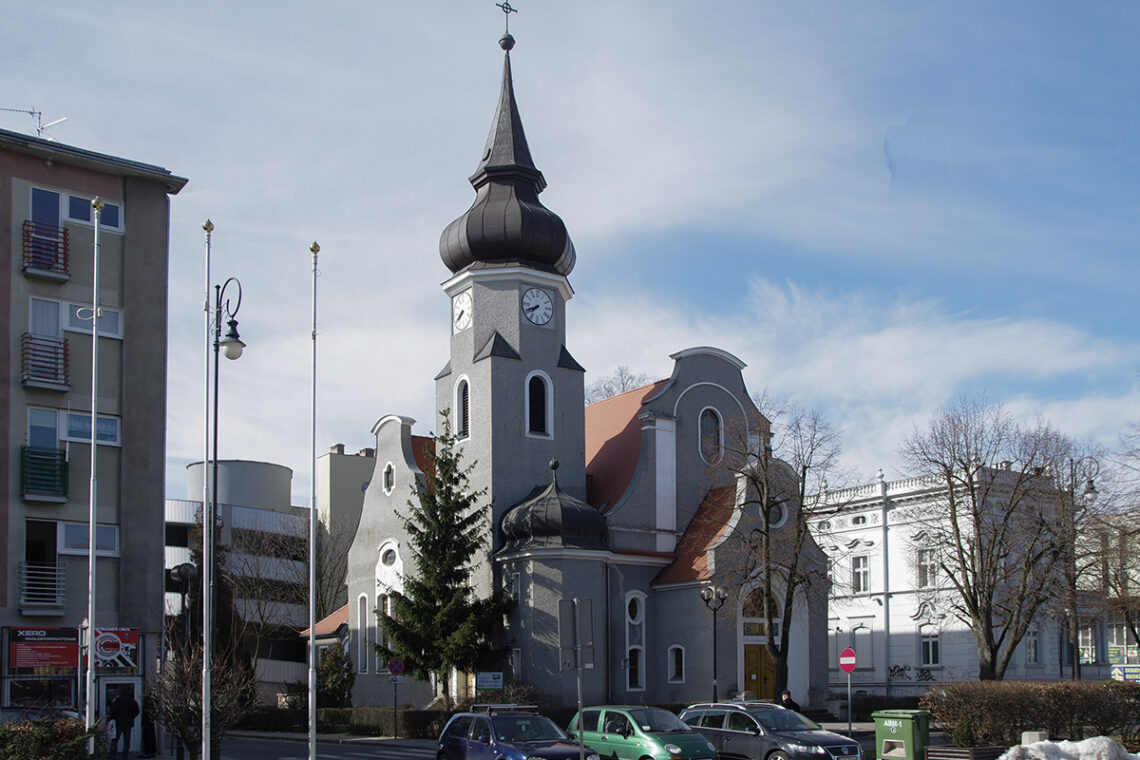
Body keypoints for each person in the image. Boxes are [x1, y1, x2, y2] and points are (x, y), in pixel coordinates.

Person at [110, 690, 140, 760]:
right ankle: (125, 755)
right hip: (128, 723)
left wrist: (114, 717)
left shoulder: (118, 700)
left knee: (115, 739)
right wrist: (131, 716)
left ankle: (113, 754)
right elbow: (137, 711)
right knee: (127, 740)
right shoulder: (132, 701)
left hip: (119, 722)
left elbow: (113, 710)